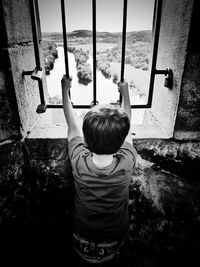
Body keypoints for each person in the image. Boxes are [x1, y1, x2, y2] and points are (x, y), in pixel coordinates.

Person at [61, 75, 137, 266]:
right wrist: (125, 92)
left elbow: (72, 125)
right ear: (121, 142)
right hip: (112, 240)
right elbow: (127, 127)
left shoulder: (79, 159)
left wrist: (65, 89)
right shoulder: (126, 161)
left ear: (85, 141)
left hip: (81, 238)